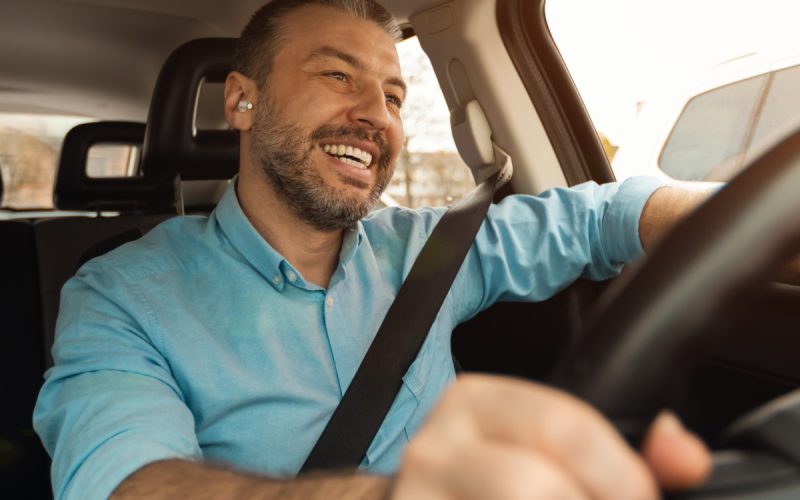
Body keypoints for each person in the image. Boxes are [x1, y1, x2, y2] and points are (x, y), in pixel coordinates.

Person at [34, 0, 715, 498]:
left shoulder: (431, 250)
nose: (377, 116)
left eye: (393, 95)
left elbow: (601, 218)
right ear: (241, 101)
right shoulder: (119, 294)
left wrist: (748, 214)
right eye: (337, 76)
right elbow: (129, 482)